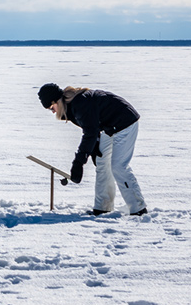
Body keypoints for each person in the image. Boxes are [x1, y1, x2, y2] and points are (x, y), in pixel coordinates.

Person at [38, 83, 147, 216]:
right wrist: (94, 148)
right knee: (102, 162)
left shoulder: (80, 104)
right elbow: (92, 128)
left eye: (51, 108)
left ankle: (139, 209)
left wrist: (79, 162)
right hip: (109, 127)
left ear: (57, 101)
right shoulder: (71, 105)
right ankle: (103, 207)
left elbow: (90, 133)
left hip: (125, 122)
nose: (53, 112)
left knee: (118, 166)